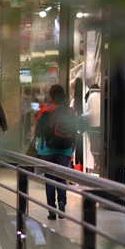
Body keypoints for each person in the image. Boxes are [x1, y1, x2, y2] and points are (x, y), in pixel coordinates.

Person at [35, 84, 77, 220]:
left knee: (50, 179)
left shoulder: (46, 110)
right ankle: (62, 202)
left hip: (47, 151)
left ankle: (51, 210)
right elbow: (74, 133)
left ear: (51, 96)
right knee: (61, 179)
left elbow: (38, 131)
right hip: (64, 151)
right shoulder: (69, 111)